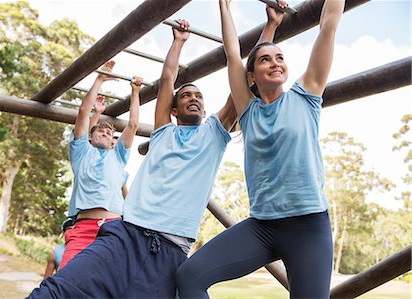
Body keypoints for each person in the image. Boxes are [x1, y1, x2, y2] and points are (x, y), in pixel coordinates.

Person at [27, 19, 237, 299]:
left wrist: (268, 30)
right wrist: (179, 42)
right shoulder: (163, 132)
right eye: (185, 95)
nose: (193, 98)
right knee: (55, 292)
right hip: (126, 234)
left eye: (198, 95)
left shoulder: (215, 134)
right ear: (173, 110)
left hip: (171, 250)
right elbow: (167, 79)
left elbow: (239, 76)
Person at [176, 0, 344, 298]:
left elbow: (328, 26)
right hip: (263, 228)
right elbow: (232, 54)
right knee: (190, 275)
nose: (276, 62)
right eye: (265, 59)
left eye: (280, 57)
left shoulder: (305, 96)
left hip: (308, 227)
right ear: (251, 76)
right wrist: (224, 6)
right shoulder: (248, 110)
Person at [58, 60, 142, 269]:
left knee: (111, 282)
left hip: (113, 228)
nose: (106, 134)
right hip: (83, 227)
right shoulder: (81, 152)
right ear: (89, 136)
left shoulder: (118, 156)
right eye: (101, 131)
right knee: (65, 279)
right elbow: (83, 113)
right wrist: (100, 78)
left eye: (109, 133)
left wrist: (135, 91)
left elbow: (132, 125)